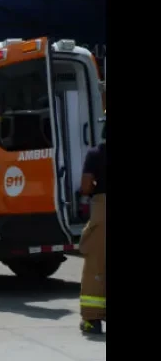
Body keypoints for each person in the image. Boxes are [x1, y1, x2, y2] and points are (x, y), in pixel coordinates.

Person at [78, 114, 106, 335]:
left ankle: (92, 320)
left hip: (103, 209)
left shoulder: (96, 154)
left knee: (96, 265)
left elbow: (86, 186)